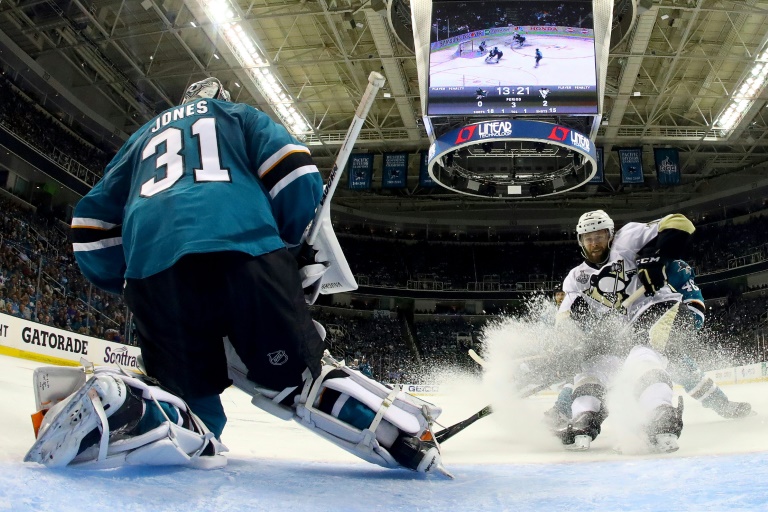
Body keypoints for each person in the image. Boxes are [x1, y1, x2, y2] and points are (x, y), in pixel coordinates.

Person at [28, 77, 448, 475]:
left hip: (154, 276)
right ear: (221, 95)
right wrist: (287, 246)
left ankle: (127, 407)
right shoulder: (236, 115)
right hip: (244, 252)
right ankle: (404, 436)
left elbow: (88, 225)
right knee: (296, 380)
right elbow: (296, 172)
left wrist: (123, 277)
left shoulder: (140, 140)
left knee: (190, 405)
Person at [552, 210, 698, 453]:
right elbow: (565, 320)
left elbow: (680, 223)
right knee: (593, 368)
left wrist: (657, 257)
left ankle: (661, 414)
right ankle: (584, 419)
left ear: (610, 235)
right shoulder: (576, 278)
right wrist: (572, 347)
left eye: (599, 236)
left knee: (642, 355)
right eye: (588, 238)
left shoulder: (628, 238)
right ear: (580, 241)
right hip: (619, 333)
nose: (594, 243)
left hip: (656, 309)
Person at [544, 258, 752, 429]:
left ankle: (722, 404)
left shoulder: (674, 269)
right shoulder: (617, 269)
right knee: (590, 371)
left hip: (655, 337)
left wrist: (677, 327)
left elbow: (694, 308)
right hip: (618, 340)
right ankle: (561, 409)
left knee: (684, 368)